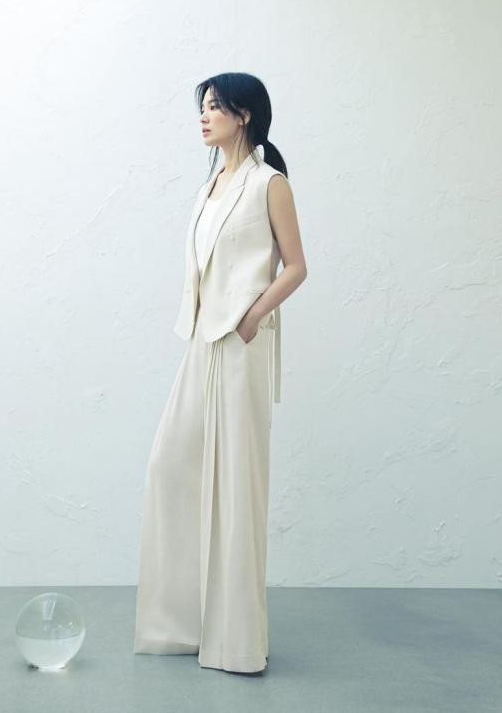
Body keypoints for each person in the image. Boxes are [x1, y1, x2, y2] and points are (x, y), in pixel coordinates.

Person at [133, 72, 307, 674]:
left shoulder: (269, 183)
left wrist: (251, 318)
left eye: (214, 107)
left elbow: (296, 266)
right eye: (202, 107)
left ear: (245, 114)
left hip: (240, 344)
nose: (203, 117)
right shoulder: (211, 185)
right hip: (201, 343)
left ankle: (236, 644)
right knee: (170, 467)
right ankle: (182, 627)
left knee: (235, 486)